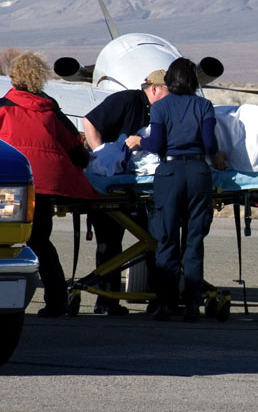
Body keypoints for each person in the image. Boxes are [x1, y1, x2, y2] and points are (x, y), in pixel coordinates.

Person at [0, 51, 97, 318]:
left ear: (13, 76)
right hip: (45, 185)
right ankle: (56, 301)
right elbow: (75, 148)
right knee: (40, 241)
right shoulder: (50, 110)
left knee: (2, 242)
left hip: (8, 185)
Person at [125, 58, 225, 322]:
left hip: (169, 174)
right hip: (198, 173)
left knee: (167, 239)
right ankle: (192, 304)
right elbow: (209, 142)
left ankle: (166, 304)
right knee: (194, 240)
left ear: (169, 80)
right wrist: (217, 155)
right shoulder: (204, 105)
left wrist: (139, 141)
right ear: (193, 80)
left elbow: (157, 143)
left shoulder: (161, 107)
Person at [82, 69, 169, 316]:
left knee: (153, 241)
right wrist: (102, 155)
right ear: (154, 89)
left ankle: (156, 299)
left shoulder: (161, 110)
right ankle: (105, 301)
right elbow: (90, 121)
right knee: (109, 243)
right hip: (113, 184)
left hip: (142, 187)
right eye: (168, 91)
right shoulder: (128, 99)